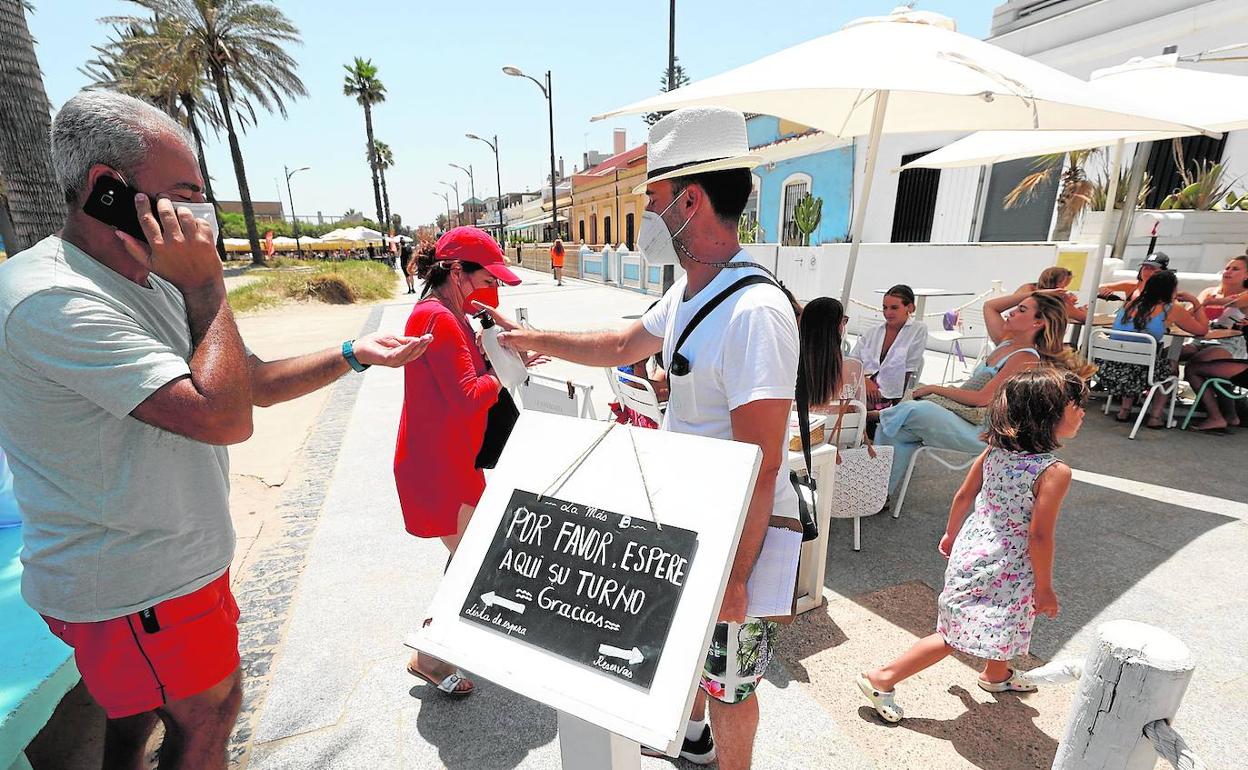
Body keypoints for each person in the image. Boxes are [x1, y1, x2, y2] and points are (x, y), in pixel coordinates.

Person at [0, 90, 430, 770]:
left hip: (165, 570)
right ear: (107, 191)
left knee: (141, 710)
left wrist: (353, 353)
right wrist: (209, 288)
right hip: (136, 583)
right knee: (209, 715)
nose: (201, 215)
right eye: (185, 193)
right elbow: (224, 418)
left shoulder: (144, 279)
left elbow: (242, 379)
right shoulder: (57, 297)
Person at [479, 107, 797, 770]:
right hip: (689, 519)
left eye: (651, 198)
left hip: (733, 534)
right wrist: (532, 338)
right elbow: (624, 343)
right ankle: (691, 737)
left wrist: (736, 578)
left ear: (690, 200)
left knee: (730, 675)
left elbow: (762, 464)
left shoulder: (755, 311)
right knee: (689, 652)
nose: (645, 213)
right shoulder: (690, 292)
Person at [859, 367, 1086, 722]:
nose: (1082, 412)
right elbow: (1039, 536)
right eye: (1075, 405)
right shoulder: (1053, 472)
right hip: (1006, 562)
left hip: (974, 547)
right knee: (954, 634)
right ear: (1049, 415)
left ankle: (996, 674)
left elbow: (964, 495)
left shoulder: (996, 452)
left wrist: (951, 534)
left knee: (1007, 615)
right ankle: (883, 678)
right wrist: (1045, 588)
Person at [393, 226, 522, 695]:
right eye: (488, 279)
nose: (494, 290)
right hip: (438, 467)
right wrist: (507, 376)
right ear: (456, 272)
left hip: (451, 460)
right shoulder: (439, 318)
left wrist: (500, 361)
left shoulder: (443, 313)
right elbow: (470, 397)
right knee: (474, 560)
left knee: (472, 559)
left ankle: (435, 647)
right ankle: (430, 652)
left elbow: (467, 376)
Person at [877, 288, 1092, 498]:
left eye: (1022, 310)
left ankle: (877, 416)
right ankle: (878, 492)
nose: (1012, 312)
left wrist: (934, 388)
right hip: (964, 418)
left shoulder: (1025, 358)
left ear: (1038, 322)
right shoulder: (1006, 343)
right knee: (896, 429)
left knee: (916, 410)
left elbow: (982, 400)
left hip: (981, 431)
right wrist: (1039, 294)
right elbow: (990, 306)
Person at [1094, 270, 1207, 428]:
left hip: (1112, 369)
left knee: (1134, 358)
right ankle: (1155, 416)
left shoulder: (1130, 303)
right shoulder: (1170, 308)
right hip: (1140, 372)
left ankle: (1124, 410)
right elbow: (1202, 330)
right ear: (1170, 289)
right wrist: (1196, 302)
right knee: (1171, 367)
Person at [849, 284, 928, 411]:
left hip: (888, 395)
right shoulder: (872, 332)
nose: (888, 312)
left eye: (894, 308)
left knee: (854, 409)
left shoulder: (918, 330)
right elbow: (853, 361)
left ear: (910, 307)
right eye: (885, 308)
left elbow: (909, 369)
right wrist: (864, 380)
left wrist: (896, 409)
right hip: (860, 387)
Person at [800, 297, 852, 414]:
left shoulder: (792, 359)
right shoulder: (845, 368)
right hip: (832, 427)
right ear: (836, 327)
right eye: (843, 320)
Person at [1020, 266, 1087, 324]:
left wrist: (1070, 305)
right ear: (1057, 283)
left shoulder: (1027, 288)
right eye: (1063, 285)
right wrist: (1080, 309)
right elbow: (1084, 318)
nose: (1064, 289)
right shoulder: (1056, 301)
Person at [1098, 251, 1169, 303]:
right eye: (1145, 268)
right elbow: (1100, 287)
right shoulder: (1132, 286)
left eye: (1152, 268)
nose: (1147, 272)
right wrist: (1104, 291)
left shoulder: (1167, 291)